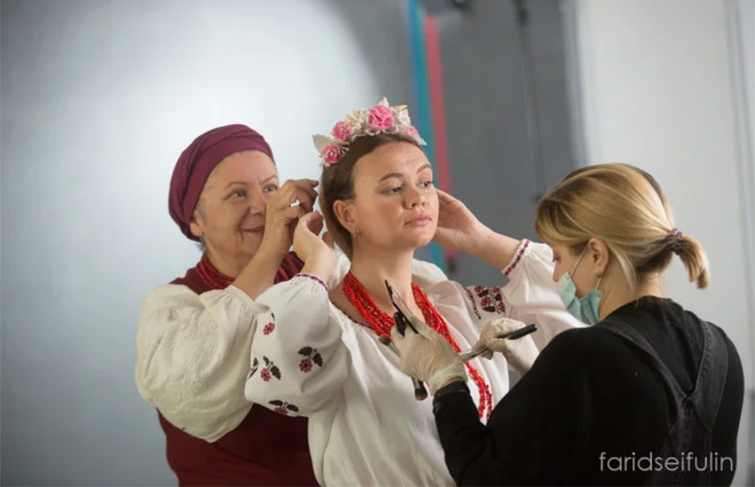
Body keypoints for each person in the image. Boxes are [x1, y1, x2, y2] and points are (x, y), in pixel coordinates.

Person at [243, 98, 584, 486]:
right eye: (392, 188)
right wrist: (319, 262)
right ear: (347, 214)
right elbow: (282, 384)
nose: (417, 198)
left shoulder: (458, 308)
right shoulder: (327, 329)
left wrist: (482, 239)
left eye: (425, 182)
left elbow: (578, 310)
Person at [392, 163, 745, 485]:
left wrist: (447, 379)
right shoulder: (721, 351)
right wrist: (544, 380)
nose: (556, 274)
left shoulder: (583, 354)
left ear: (597, 255)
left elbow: (484, 476)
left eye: (558, 257)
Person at [134, 124, 349, 485]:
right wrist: (273, 249)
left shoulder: (320, 267)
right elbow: (190, 397)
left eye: (270, 188)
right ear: (196, 220)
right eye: (237, 194)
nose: (263, 207)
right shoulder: (173, 305)